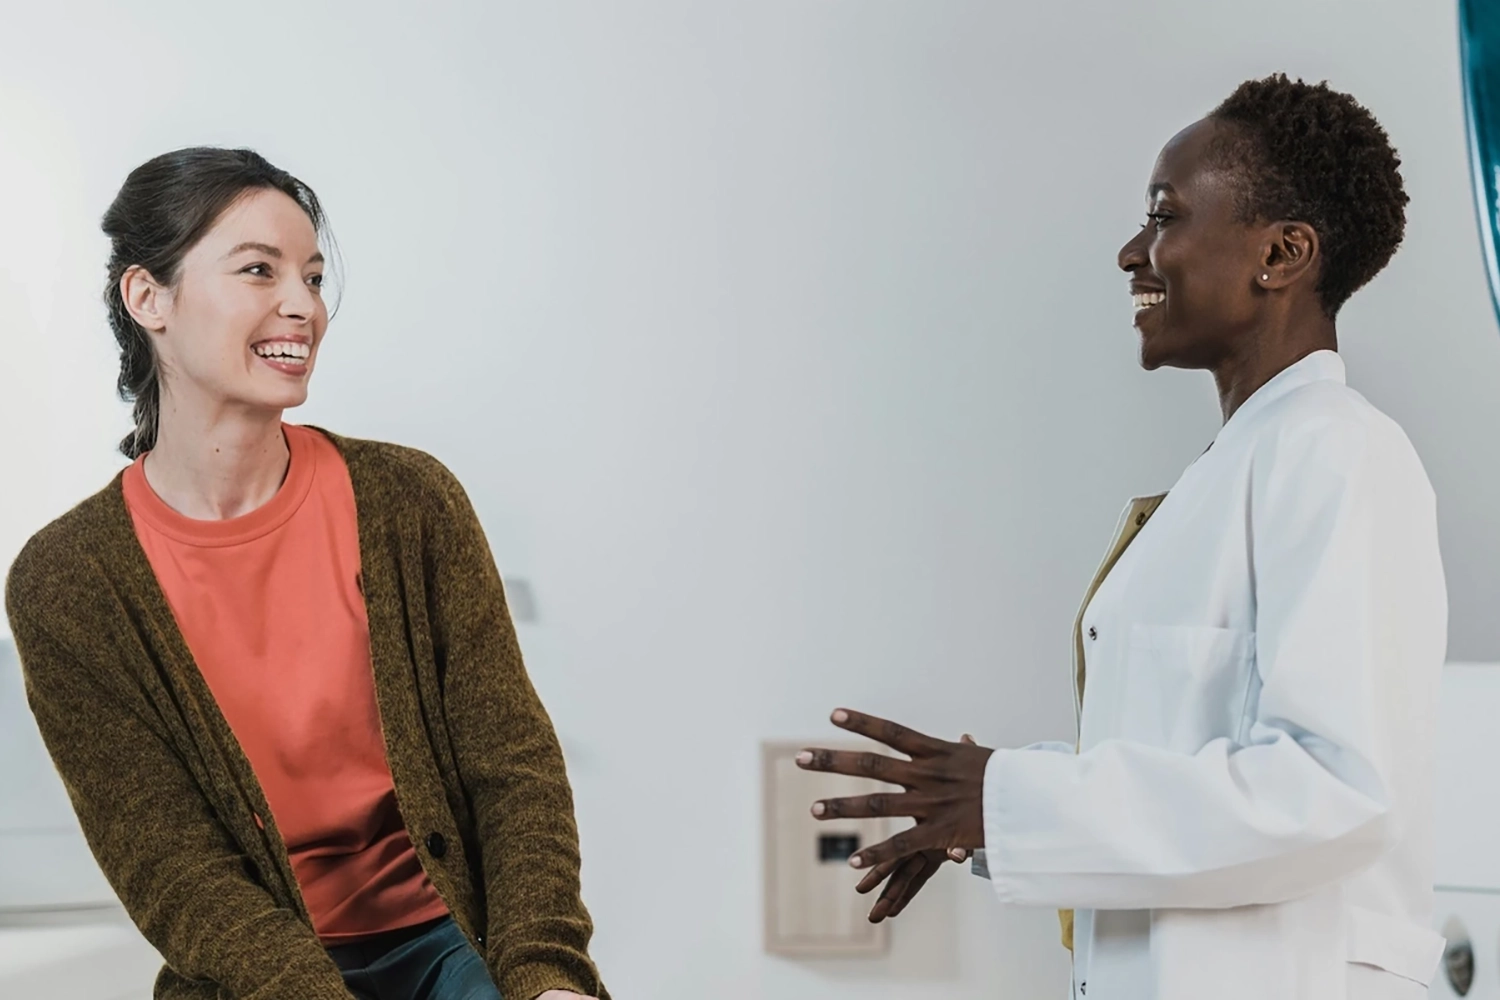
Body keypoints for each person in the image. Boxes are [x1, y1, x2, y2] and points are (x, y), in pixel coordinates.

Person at [797, 74, 1447, 1000]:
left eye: (1164, 215)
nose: (1131, 252)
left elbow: (1333, 791)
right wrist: (984, 806)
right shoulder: (1233, 472)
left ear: (1282, 253)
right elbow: (1185, 768)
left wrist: (1011, 801)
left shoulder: (1338, 453)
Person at [3, 148, 607, 1000]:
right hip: (257, 979)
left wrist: (547, 976)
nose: (304, 306)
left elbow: (512, 763)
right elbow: (172, 867)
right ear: (149, 298)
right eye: (259, 270)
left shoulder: (410, 500)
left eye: (313, 277)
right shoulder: (67, 581)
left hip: (452, 947)